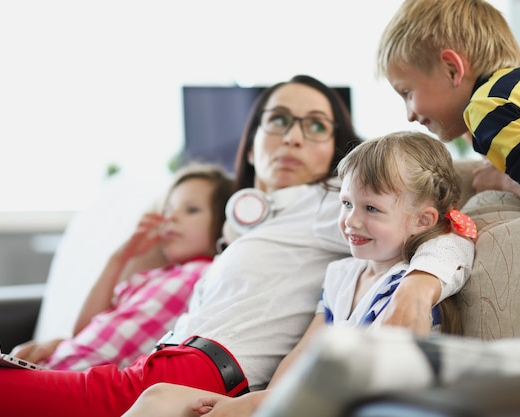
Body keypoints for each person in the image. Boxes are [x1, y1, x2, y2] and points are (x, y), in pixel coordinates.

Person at [0, 74, 472, 417]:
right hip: (161, 365)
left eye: (316, 125)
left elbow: (450, 224)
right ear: (253, 137)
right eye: (277, 120)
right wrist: (70, 350)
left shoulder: (334, 204)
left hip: (205, 369)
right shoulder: (245, 221)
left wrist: (419, 286)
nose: (293, 138)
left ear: (336, 149)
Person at [120, 131, 476, 417]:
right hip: (301, 399)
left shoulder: (407, 284)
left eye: (371, 208)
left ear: (423, 220)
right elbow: (302, 353)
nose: (351, 220)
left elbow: (365, 385)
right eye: (347, 204)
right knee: (160, 396)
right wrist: (261, 403)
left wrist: (253, 405)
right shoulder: (342, 274)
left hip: (353, 403)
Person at [376, 0, 520, 210]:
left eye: (407, 93)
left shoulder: (485, 108)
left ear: (452, 69)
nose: (409, 115)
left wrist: (504, 181)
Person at [10, 161, 234, 371]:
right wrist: (118, 258)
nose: (171, 217)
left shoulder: (208, 274)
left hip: (77, 380)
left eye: (191, 210)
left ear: (224, 222)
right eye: (167, 210)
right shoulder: (152, 277)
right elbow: (83, 331)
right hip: (56, 368)